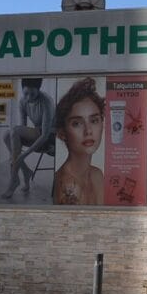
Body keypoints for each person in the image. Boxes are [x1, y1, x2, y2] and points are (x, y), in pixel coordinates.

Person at [54, 77, 105, 206]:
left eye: (94, 121)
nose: (88, 131)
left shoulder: (97, 175)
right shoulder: (68, 185)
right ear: (62, 133)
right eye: (77, 123)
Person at [2, 78, 54, 199]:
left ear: (39, 90)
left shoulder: (46, 101)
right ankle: (25, 171)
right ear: (22, 90)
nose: (29, 97)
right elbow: (22, 129)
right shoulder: (22, 102)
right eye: (25, 93)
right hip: (38, 133)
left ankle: (14, 180)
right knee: (6, 135)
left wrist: (22, 156)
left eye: (32, 94)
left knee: (14, 132)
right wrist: (16, 155)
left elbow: (45, 135)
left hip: (50, 138)